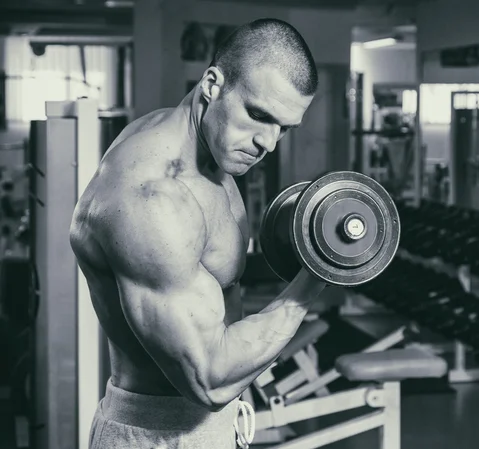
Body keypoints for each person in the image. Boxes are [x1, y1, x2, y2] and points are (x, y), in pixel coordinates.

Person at [69, 18, 325, 449]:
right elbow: (208, 379)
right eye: (259, 115)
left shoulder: (208, 150)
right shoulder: (149, 199)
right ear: (212, 84)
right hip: (159, 436)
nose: (269, 143)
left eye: (284, 127)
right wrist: (322, 271)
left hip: (217, 427)